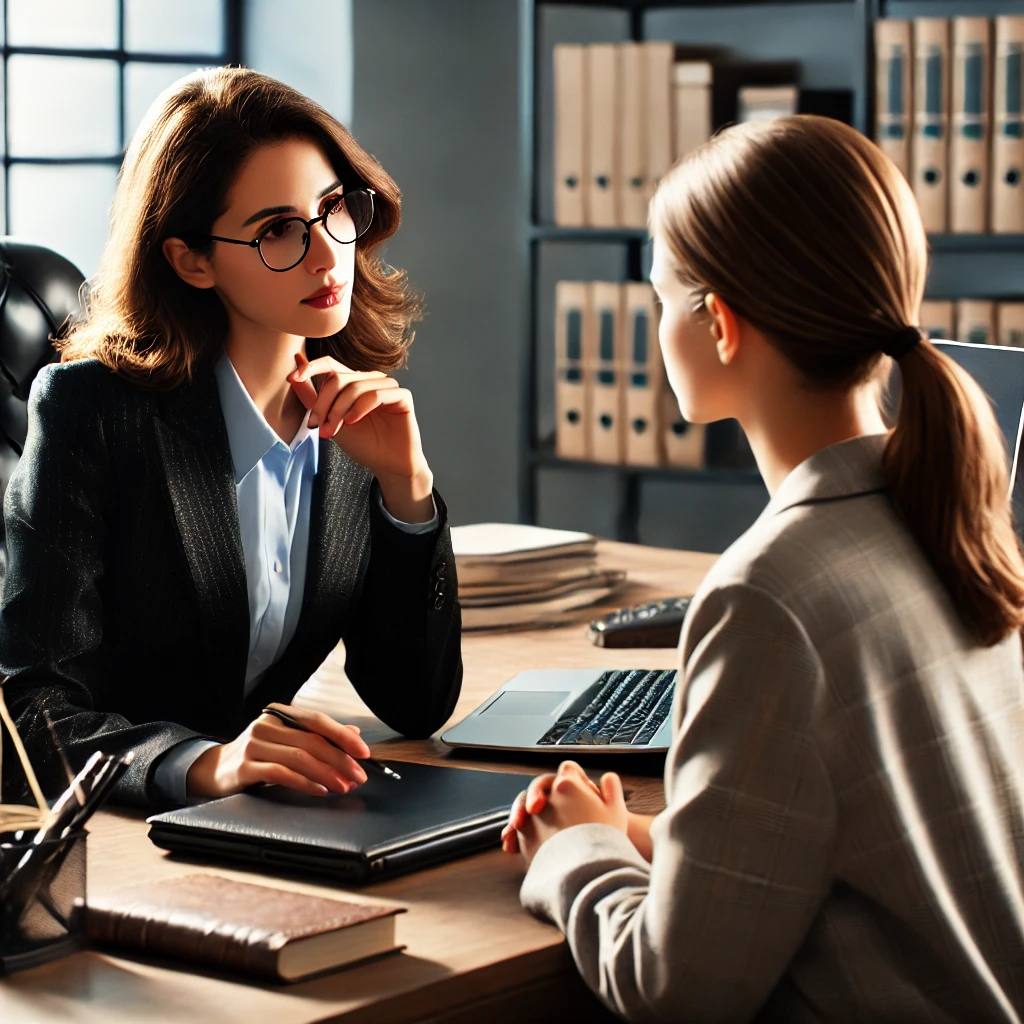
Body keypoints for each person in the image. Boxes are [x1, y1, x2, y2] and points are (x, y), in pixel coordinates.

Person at [502, 115, 1024, 1022]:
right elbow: (860, 836)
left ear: (719, 324)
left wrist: (573, 857)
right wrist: (634, 834)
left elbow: (675, 989)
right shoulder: (949, 520)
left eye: (660, 295)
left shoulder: (767, 594)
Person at [0, 67, 461, 809]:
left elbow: (414, 703)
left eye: (334, 208)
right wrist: (203, 764)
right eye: (278, 229)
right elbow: (29, 715)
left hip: (270, 818)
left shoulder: (354, 407)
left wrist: (409, 497)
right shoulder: (93, 412)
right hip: (117, 834)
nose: (326, 255)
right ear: (191, 259)